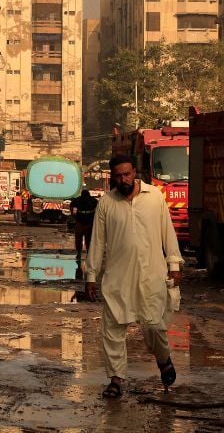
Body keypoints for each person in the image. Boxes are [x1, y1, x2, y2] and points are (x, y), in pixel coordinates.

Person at [86, 154, 182, 399]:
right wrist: (91, 276)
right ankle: (116, 380)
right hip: (118, 279)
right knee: (113, 330)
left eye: (127, 174)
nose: (123, 179)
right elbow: (97, 242)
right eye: (118, 175)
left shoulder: (154, 197)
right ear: (112, 177)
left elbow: (167, 232)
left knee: (155, 327)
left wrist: (174, 264)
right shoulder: (107, 203)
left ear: (135, 172)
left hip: (152, 276)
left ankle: (163, 359)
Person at [70, 188, 98, 257]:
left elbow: (71, 205)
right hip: (88, 222)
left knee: (79, 239)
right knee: (88, 239)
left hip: (80, 221)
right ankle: (88, 252)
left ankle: (79, 252)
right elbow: (99, 208)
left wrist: (73, 214)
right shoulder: (93, 200)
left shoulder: (78, 200)